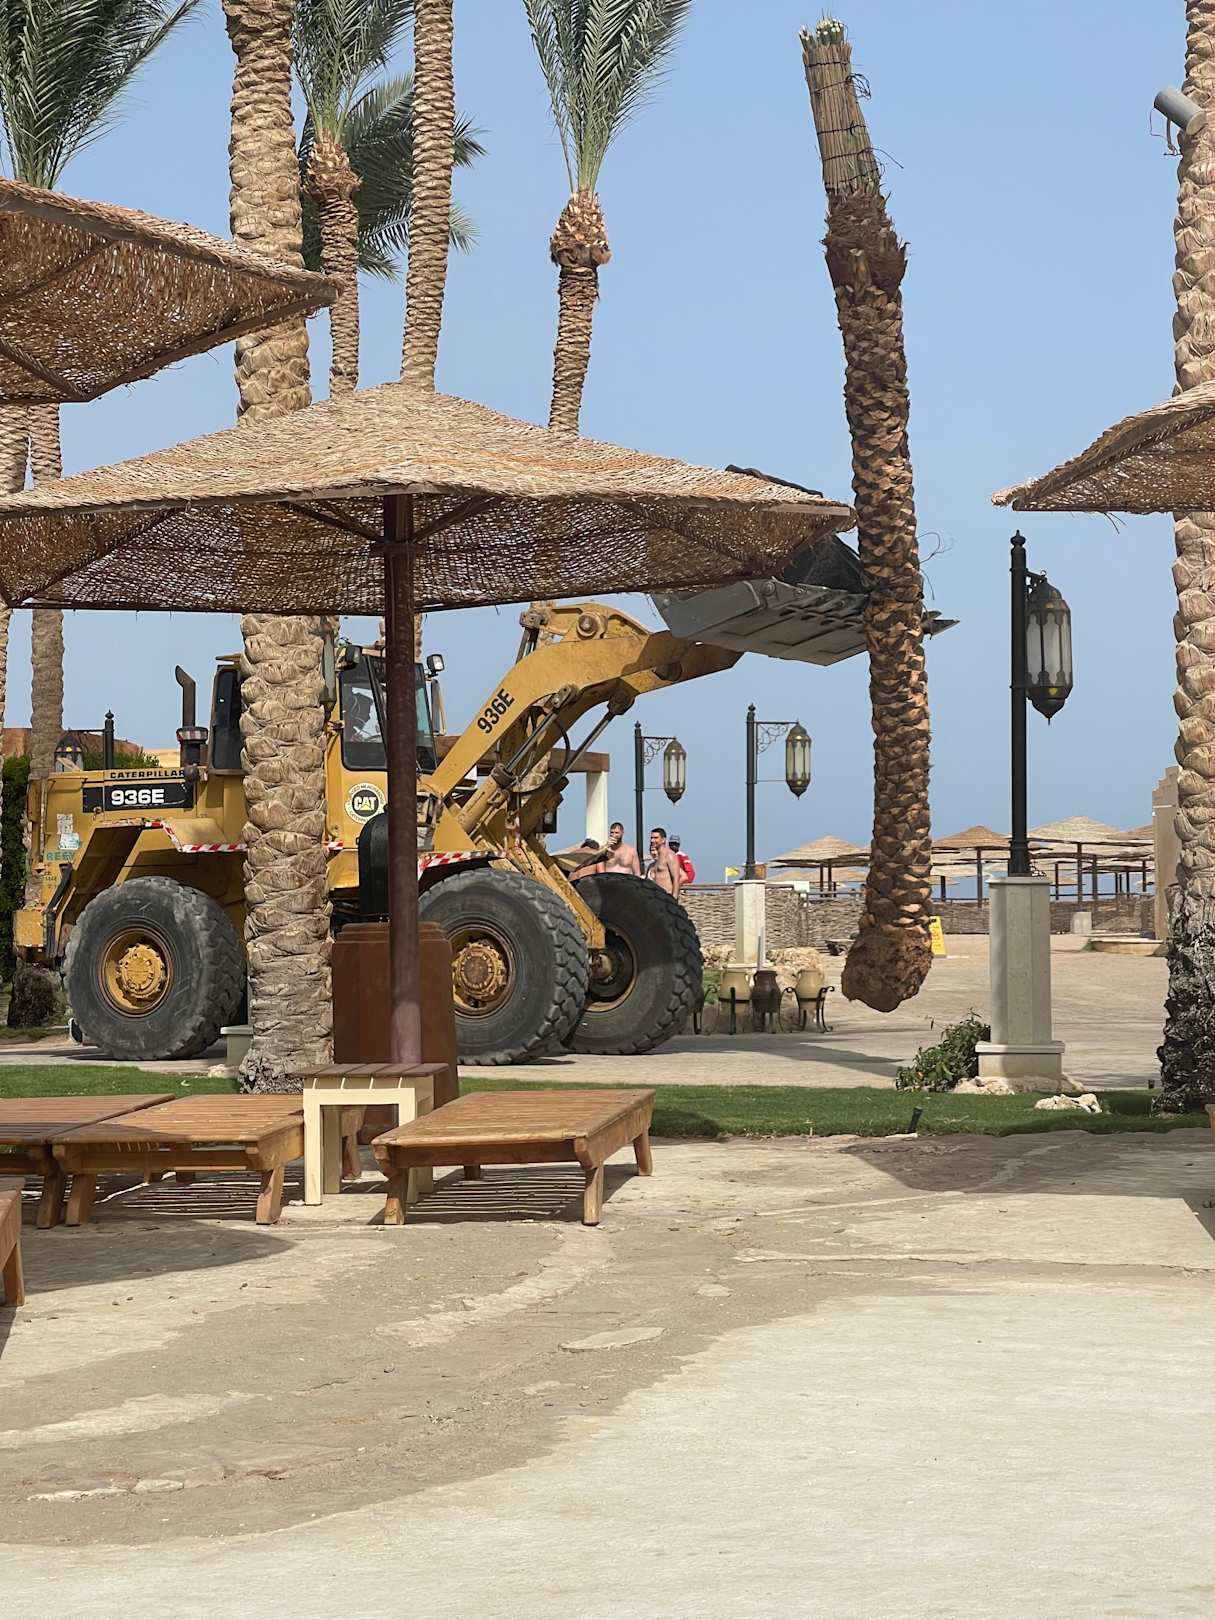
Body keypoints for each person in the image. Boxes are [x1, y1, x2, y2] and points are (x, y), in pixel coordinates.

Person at [646, 826, 683, 897]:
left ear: (663, 840)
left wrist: (674, 898)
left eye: (656, 838)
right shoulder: (656, 860)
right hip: (654, 898)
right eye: (651, 838)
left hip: (666, 898)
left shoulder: (669, 855)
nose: (652, 840)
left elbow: (676, 878)